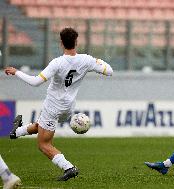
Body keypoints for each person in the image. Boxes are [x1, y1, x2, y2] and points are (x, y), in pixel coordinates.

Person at [4, 27, 113, 181]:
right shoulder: (86, 60)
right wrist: (98, 61)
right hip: (68, 108)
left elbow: (35, 82)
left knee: (43, 144)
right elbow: (109, 71)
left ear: (61, 43)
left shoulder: (57, 63)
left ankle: (68, 167)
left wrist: (17, 72)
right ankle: (17, 132)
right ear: (76, 41)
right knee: (42, 125)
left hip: (53, 106)